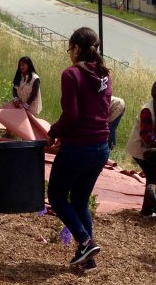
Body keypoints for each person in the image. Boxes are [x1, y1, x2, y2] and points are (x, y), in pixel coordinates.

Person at [46, 27, 112, 272]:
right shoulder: (105, 74)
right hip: (101, 146)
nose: (69, 53)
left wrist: (54, 132)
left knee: (56, 196)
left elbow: (72, 115)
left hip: (78, 146)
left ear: (76, 48)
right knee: (81, 200)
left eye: (69, 48)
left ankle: (85, 242)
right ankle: (88, 259)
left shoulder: (71, 74)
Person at [126, 80, 156, 217]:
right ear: (155, 93)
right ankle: (147, 211)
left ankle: (152, 208)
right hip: (140, 147)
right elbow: (145, 134)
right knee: (153, 175)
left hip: (153, 148)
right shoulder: (147, 110)